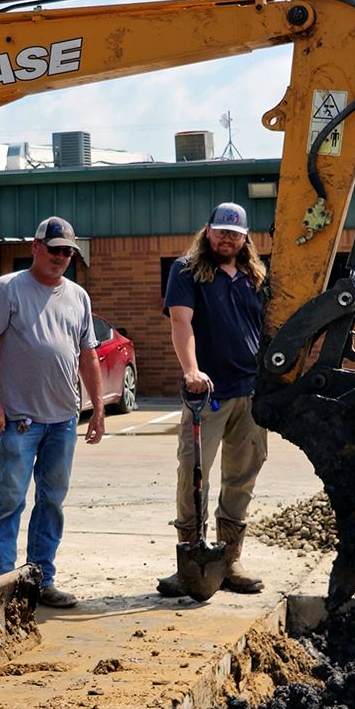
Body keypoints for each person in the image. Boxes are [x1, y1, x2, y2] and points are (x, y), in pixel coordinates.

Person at [0, 216, 104, 609]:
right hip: (19, 420)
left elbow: (88, 355)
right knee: (11, 499)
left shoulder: (78, 296)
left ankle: (41, 579)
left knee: (51, 502)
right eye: (54, 250)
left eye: (68, 252)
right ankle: (0, 586)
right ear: (35, 247)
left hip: (63, 421)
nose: (61, 257)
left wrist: (97, 408)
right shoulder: (8, 289)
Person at [158, 202, 270, 597]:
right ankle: (192, 562)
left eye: (234, 233)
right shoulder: (186, 271)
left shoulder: (255, 277)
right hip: (206, 395)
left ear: (245, 237)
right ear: (208, 231)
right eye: (221, 230)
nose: (227, 238)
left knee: (242, 477)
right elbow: (181, 322)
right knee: (194, 475)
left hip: (250, 392)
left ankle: (229, 559)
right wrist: (191, 370)